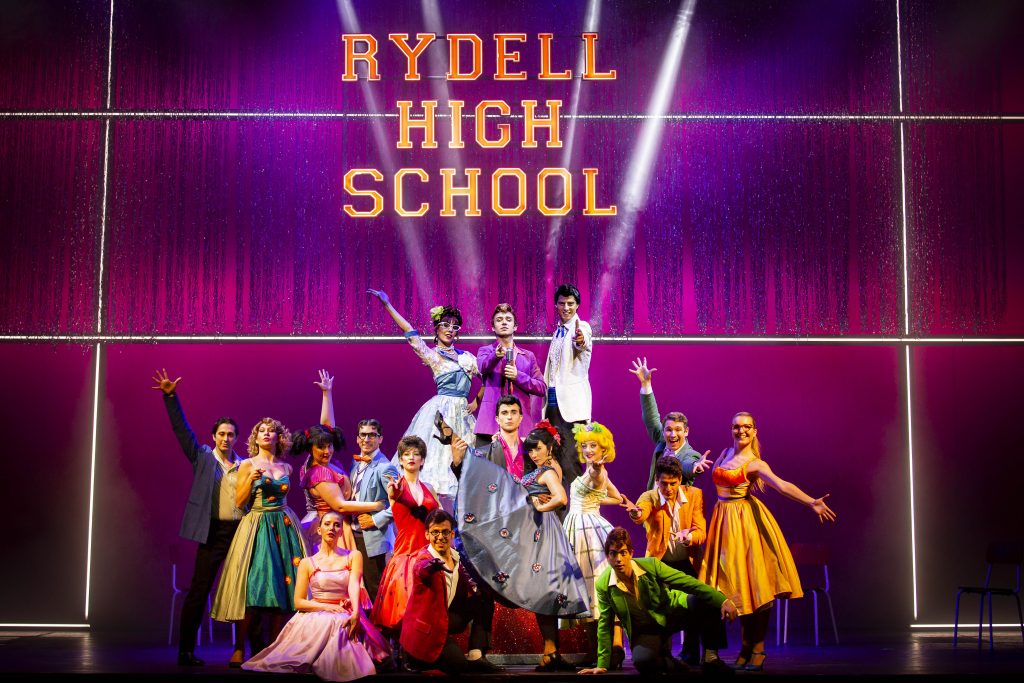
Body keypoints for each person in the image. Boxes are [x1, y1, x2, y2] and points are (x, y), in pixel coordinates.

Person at [700, 412, 837, 671]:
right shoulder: (724, 453)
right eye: (736, 427)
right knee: (737, 587)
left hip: (745, 524)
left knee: (756, 586)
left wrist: (811, 502)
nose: (741, 431)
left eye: (746, 427)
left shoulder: (756, 464)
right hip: (723, 522)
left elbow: (783, 486)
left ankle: (757, 649)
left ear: (754, 431)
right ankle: (745, 647)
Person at [450, 422, 589, 671]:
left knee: (542, 589)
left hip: (542, 535)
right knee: (541, 589)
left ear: (550, 448)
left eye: (538, 448)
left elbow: (561, 498)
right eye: (531, 450)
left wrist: (539, 506)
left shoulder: (547, 471)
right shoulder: (542, 469)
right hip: (535, 534)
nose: (533, 454)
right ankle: (550, 652)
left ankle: (550, 652)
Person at [151, 369, 246, 667]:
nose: (226, 438)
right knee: (199, 590)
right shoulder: (203, 456)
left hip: (240, 532)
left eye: (231, 434)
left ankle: (247, 650)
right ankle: (186, 651)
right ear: (213, 436)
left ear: (237, 438)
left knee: (246, 591)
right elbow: (182, 431)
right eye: (222, 434)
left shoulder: (245, 464)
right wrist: (171, 397)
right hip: (213, 532)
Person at [243, 511, 390, 681]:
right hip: (317, 612)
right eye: (327, 524)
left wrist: (356, 612)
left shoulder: (353, 556)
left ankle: (338, 668)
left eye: (337, 525)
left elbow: (354, 584)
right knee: (326, 627)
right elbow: (299, 602)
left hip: (345, 610)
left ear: (341, 531)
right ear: (319, 530)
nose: (332, 528)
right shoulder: (307, 563)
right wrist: (327, 607)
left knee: (342, 625)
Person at [367, 288, 479, 508]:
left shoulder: (468, 357)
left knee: (465, 461)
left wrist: (477, 400)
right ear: (436, 328)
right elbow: (409, 331)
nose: (450, 329)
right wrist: (387, 304)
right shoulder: (433, 355)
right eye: (445, 325)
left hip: (463, 413)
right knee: (437, 461)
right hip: (441, 411)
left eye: (454, 326)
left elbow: (488, 376)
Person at [211, 417, 308, 667]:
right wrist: (251, 480)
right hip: (257, 524)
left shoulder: (287, 467)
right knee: (253, 586)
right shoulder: (248, 464)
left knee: (284, 586)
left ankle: (273, 649)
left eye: (271, 430)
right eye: (261, 430)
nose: (266, 433)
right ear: (255, 437)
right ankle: (239, 648)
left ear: (278, 437)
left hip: (283, 525)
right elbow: (239, 502)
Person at [579, 528, 737, 676]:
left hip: (671, 613)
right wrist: (602, 664)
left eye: (623, 553)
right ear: (607, 556)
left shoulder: (650, 565)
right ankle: (669, 662)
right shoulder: (604, 584)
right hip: (646, 630)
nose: (618, 559)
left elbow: (688, 582)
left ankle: (711, 658)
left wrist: (722, 600)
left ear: (631, 553)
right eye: (613, 554)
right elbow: (605, 624)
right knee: (643, 662)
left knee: (708, 601)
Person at [624, 455, 711, 666]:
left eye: (673, 483)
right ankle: (664, 654)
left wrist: (688, 537)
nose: (668, 488)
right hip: (661, 564)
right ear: (657, 480)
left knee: (694, 606)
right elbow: (641, 512)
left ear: (680, 479)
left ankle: (691, 654)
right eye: (664, 483)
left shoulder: (694, 495)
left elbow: (701, 531)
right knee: (662, 610)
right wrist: (636, 514)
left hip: (687, 562)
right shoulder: (650, 496)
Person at [293, 371, 385, 552]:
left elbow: (327, 427)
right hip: (331, 526)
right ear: (311, 447)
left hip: (337, 522)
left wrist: (327, 393)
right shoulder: (319, 471)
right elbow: (340, 506)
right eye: (321, 447)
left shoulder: (322, 461)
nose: (327, 451)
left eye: (330, 446)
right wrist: (378, 505)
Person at [400, 509, 500, 674]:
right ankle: (414, 658)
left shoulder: (456, 557)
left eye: (445, 532)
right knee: (458, 665)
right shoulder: (424, 558)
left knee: (484, 598)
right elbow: (420, 570)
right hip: (428, 628)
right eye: (435, 532)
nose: (440, 537)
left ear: (452, 534)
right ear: (427, 535)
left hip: (445, 617)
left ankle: (475, 655)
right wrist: (432, 566)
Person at [561, 421, 625, 665]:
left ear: (603, 449)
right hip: (583, 526)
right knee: (587, 588)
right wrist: (596, 498)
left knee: (592, 586)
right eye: (585, 446)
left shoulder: (597, 471)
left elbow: (599, 478)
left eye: (593, 446)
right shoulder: (596, 471)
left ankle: (607, 648)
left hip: (586, 531)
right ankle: (599, 648)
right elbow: (616, 498)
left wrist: (597, 471)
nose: (588, 450)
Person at [371, 436, 440, 634]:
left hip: (428, 552)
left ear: (422, 460)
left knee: (428, 607)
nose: (411, 457)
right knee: (405, 608)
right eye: (406, 454)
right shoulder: (396, 487)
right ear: (400, 460)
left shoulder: (429, 488)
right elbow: (394, 497)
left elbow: (440, 517)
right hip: (406, 553)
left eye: (416, 454)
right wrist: (394, 494)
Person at [628, 357, 712, 489]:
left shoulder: (690, 454)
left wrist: (695, 466)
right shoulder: (662, 442)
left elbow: (686, 466)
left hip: (674, 502)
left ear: (686, 431)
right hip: (653, 499)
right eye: (668, 429)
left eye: (678, 429)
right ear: (663, 431)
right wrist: (646, 384)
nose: (673, 434)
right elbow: (651, 417)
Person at [542, 283, 592, 492]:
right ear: (556, 305)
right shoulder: (557, 332)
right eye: (562, 303)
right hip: (553, 403)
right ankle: (560, 508)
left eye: (570, 303)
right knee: (555, 460)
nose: (566, 308)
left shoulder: (582, 327)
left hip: (571, 408)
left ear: (577, 305)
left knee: (571, 461)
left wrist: (580, 339)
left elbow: (582, 341)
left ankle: (578, 508)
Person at [474, 303, 545, 446]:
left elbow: (541, 387)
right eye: (499, 320)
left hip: (520, 425)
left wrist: (518, 376)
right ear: (493, 327)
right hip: (490, 424)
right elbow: (482, 367)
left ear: (515, 326)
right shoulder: (485, 351)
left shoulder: (528, 356)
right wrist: (495, 355)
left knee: (520, 461)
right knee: (486, 460)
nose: (504, 322)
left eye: (508, 319)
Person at [349, 418, 398, 604]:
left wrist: (375, 520)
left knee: (376, 590)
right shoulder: (355, 464)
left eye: (372, 435)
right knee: (359, 589)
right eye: (363, 435)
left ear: (380, 439)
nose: (367, 439)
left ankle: (382, 624)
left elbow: (399, 504)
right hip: (353, 534)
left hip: (373, 537)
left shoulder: (386, 467)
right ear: (357, 438)